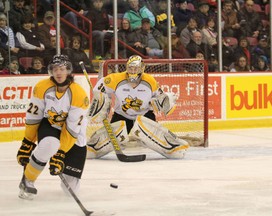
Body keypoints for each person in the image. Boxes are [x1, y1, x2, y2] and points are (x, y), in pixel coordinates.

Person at [86, 55, 189, 159]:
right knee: (112, 137)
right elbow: (100, 88)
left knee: (153, 134)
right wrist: (102, 102)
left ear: (142, 68)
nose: (133, 71)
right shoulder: (116, 79)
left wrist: (165, 101)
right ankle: (92, 149)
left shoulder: (150, 81)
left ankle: (173, 148)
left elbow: (162, 98)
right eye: (130, 68)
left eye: (136, 68)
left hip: (144, 115)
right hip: (122, 115)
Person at [16, 54, 90, 200]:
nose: (58, 72)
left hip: (74, 137)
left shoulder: (79, 94)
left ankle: (59, 161)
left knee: (71, 191)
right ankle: (28, 179)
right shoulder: (42, 87)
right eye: (55, 69)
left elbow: (71, 129)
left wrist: (60, 153)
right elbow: (34, 117)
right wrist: (27, 142)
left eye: (62, 69)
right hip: (50, 126)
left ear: (68, 70)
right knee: (50, 144)